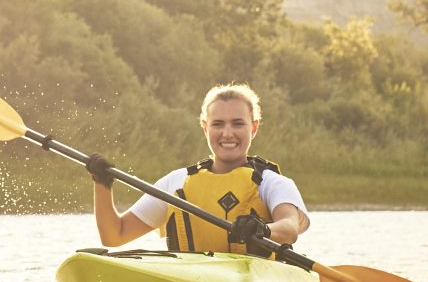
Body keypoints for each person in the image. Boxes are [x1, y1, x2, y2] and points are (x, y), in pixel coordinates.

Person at [88, 82, 311, 254]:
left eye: (238, 123)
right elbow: (114, 235)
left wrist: (264, 229)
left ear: (253, 127)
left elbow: (290, 228)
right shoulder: (175, 183)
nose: (227, 133)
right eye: (218, 124)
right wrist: (102, 184)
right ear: (205, 127)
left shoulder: (272, 183)